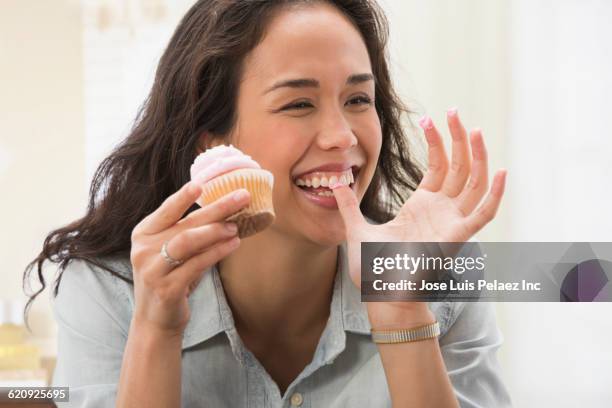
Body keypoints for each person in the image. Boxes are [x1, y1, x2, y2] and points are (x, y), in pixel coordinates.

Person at [24, 0, 512, 406]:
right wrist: (155, 327)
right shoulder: (110, 289)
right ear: (213, 143)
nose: (342, 137)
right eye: (299, 104)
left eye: (359, 100)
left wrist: (402, 311)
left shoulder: (441, 271)